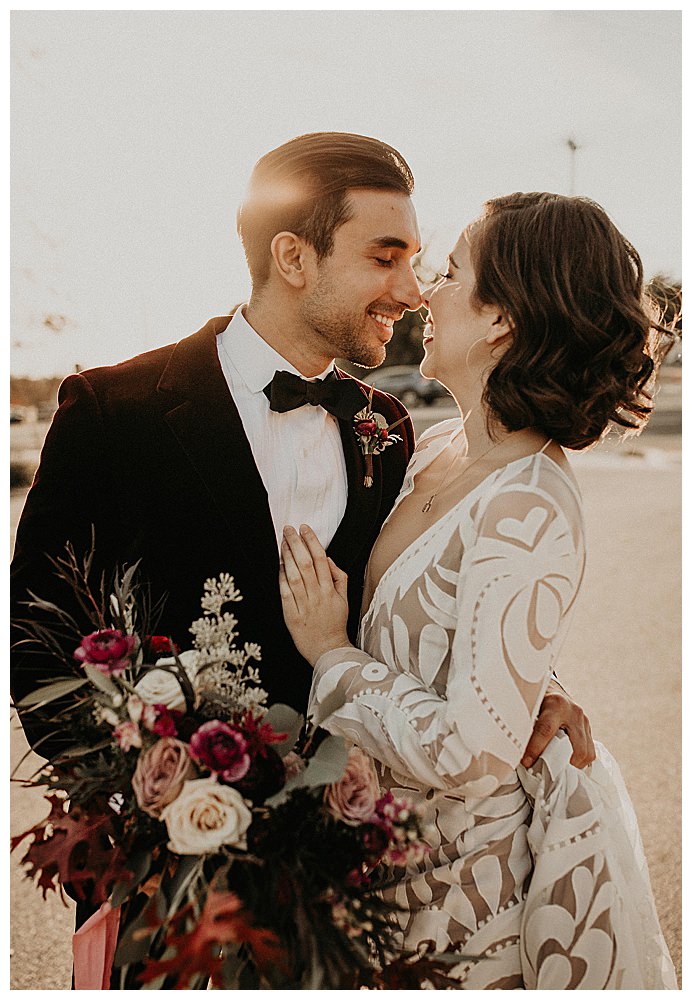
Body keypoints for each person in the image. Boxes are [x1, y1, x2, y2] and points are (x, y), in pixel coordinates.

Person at [10, 135, 592, 981]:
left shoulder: (388, 432)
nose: (410, 290)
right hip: (167, 881)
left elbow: (416, 598)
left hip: (347, 878)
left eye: (419, 261)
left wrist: (531, 683)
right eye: (384, 257)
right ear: (292, 256)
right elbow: (42, 644)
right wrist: (153, 809)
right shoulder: (114, 411)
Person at [278, 192, 678, 988]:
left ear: (501, 319)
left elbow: (471, 752)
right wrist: (537, 682)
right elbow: (453, 634)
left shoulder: (529, 501)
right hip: (375, 861)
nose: (425, 292)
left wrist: (329, 653)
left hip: (456, 897)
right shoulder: (437, 451)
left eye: (453, 272)